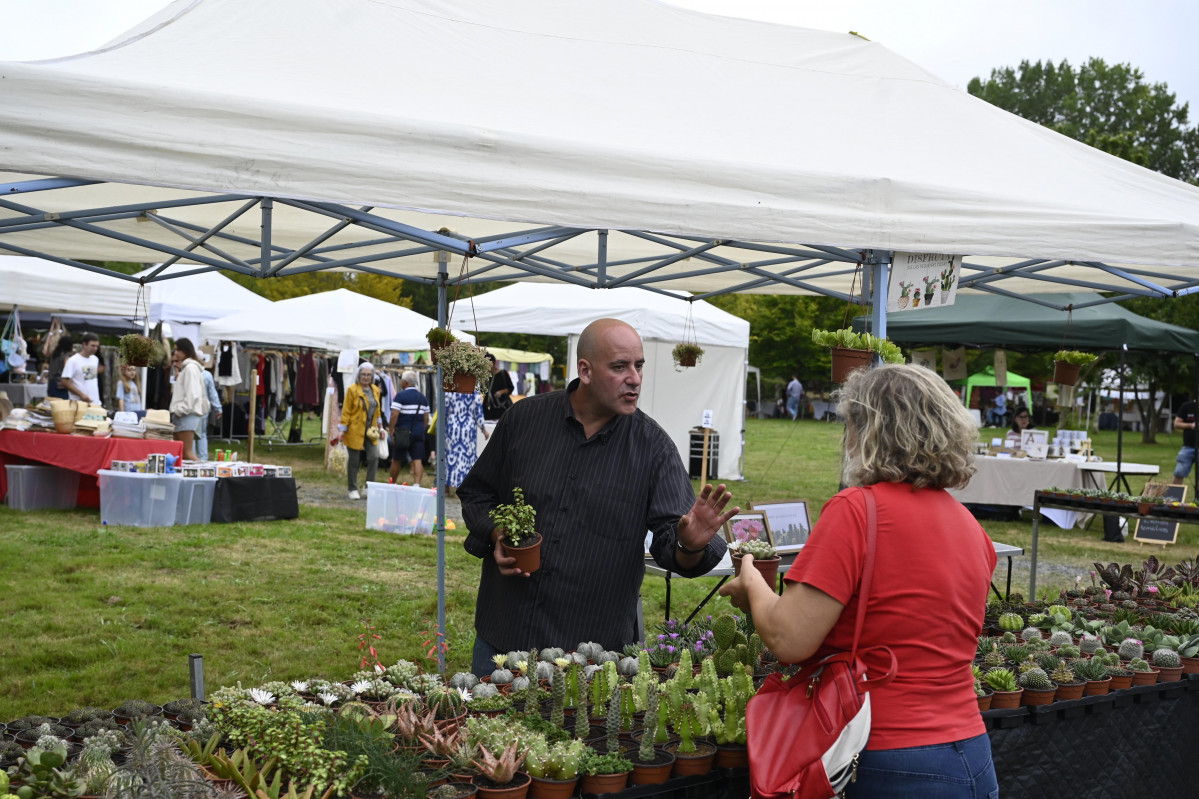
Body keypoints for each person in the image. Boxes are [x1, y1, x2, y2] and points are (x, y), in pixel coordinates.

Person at [719, 364, 998, 799]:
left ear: (869, 430)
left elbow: (789, 638)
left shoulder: (856, 510)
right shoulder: (968, 525)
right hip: (972, 753)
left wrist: (752, 581)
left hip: (884, 753)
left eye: (849, 423)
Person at [459, 317, 740, 676]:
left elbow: (676, 548)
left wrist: (690, 545)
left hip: (590, 657)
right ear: (585, 370)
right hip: (503, 637)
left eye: (639, 366)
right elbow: (477, 492)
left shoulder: (653, 449)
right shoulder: (524, 421)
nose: (635, 378)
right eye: (620, 366)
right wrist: (498, 532)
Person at [339, 362, 384, 500]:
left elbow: (377, 410)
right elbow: (346, 410)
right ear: (359, 375)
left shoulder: (375, 389)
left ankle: (368, 486)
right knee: (354, 461)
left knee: (374, 457)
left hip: (371, 430)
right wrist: (343, 429)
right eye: (363, 374)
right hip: (354, 429)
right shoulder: (352, 390)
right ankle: (352, 488)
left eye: (368, 375)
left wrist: (381, 427)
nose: (366, 377)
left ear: (372, 376)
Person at [169, 338, 210, 461]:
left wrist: (180, 411)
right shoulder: (188, 368)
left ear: (185, 351)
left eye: (177, 350)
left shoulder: (190, 368)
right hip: (185, 414)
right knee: (181, 455)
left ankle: (206, 473)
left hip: (186, 414)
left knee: (187, 454)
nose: (175, 353)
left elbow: (193, 394)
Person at [387, 370, 431, 486]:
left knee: (397, 459)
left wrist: (391, 430)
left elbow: (394, 414)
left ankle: (393, 482)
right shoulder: (423, 398)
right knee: (417, 459)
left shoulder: (400, 396)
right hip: (418, 432)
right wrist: (422, 428)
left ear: (405, 383)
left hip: (403, 432)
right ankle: (417, 484)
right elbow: (426, 418)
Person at [444, 390, 488, 497]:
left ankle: (445, 489)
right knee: (465, 460)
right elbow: (478, 414)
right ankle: (459, 490)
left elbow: (444, 411)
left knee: (449, 458)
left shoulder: (450, 392)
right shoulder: (474, 394)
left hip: (452, 429)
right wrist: (483, 429)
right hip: (468, 430)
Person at [59, 332, 102, 405]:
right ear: (84, 344)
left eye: (96, 346)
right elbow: (65, 381)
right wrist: (81, 394)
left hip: (95, 401)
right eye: (92, 346)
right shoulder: (73, 360)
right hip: (78, 403)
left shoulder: (95, 359)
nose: (95, 348)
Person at [196, 367, 223, 461]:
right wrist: (218, 408)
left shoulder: (185, 371)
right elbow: (212, 394)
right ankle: (203, 458)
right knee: (202, 434)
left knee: (190, 436)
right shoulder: (207, 375)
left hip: (190, 409)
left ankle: (191, 459)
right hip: (203, 409)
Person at [483, 352, 515, 421]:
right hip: (488, 407)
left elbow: (511, 388)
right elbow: (483, 390)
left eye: (488, 364)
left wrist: (501, 392)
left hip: (500, 407)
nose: (487, 367)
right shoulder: (485, 376)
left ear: (493, 363)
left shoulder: (502, 373)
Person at [45, 334, 75, 400]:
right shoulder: (67, 355)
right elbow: (67, 369)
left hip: (51, 382)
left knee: (52, 403)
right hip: (61, 384)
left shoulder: (54, 354)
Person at [1173, 398, 1197, 481]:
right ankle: (1174, 493)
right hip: (1188, 447)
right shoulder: (1187, 406)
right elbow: (1176, 423)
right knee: (1179, 473)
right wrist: (1191, 425)